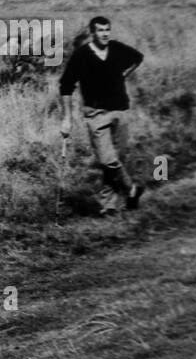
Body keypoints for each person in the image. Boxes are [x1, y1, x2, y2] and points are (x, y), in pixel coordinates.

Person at [58, 16, 145, 215]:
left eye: (107, 29)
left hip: (120, 110)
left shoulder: (116, 48)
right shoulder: (81, 55)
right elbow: (66, 85)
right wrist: (67, 118)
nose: (105, 34)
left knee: (116, 159)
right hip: (95, 114)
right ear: (92, 32)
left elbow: (138, 58)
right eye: (100, 30)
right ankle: (132, 189)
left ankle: (109, 206)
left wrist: (125, 74)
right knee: (108, 160)